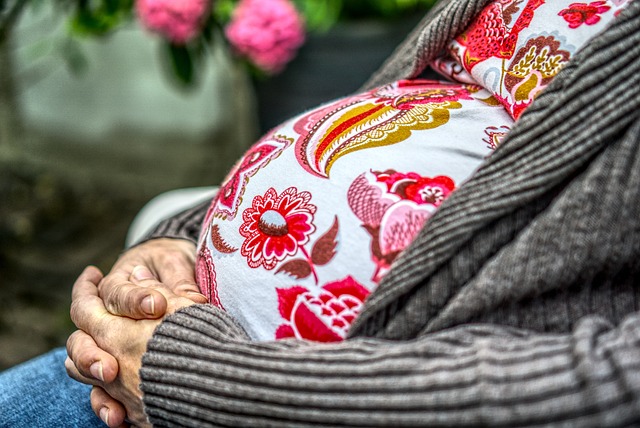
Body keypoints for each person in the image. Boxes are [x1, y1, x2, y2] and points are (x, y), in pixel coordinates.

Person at [2, 0, 640, 426]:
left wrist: (201, 382)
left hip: (287, 397)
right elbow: (421, 101)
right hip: (187, 351)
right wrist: (185, 239)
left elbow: (609, 386)